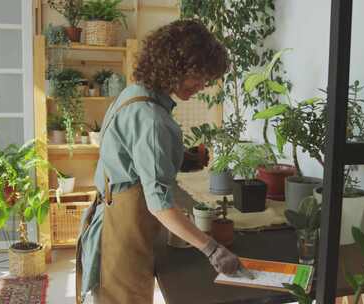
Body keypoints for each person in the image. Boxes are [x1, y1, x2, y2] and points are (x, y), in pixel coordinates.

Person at [75, 20, 245, 304]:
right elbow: (161, 206)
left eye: (206, 78)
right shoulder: (152, 118)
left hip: (111, 215)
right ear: (172, 66)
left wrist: (183, 158)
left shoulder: (134, 94)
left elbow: (133, 157)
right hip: (123, 232)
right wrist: (213, 250)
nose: (202, 86)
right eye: (197, 76)